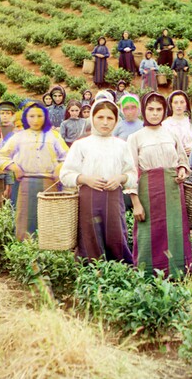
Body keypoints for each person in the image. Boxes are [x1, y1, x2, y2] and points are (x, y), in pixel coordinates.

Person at [60, 95, 137, 262]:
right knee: (90, 236)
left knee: (116, 235)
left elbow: (132, 174)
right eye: (100, 117)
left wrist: (120, 178)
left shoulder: (121, 145)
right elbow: (65, 174)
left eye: (110, 118)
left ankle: (119, 273)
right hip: (88, 198)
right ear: (92, 118)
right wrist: (85, 179)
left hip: (114, 198)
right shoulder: (81, 144)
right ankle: (91, 274)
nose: (105, 122)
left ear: (116, 120)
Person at [126, 92, 192, 277]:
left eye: (159, 109)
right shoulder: (136, 137)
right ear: (143, 110)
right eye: (150, 109)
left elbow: (182, 160)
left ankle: (178, 274)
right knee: (149, 234)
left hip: (172, 192)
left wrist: (181, 170)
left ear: (165, 111)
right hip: (148, 192)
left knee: (175, 232)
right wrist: (136, 202)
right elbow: (131, 172)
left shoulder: (171, 134)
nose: (154, 113)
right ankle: (147, 275)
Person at [0, 102, 68, 240]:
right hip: (26, 183)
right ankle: (24, 250)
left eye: (39, 116)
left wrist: (59, 167)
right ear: (25, 118)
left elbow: (68, 156)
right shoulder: (19, 137)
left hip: (49, 183)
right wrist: (14, 167)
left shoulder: (54, 136)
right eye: (31, 116)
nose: (36, 120)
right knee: (25, 217)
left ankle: (48, 250)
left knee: (48, 218)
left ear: (45, 117)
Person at [162, 90, 192, 156]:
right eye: (175, 102)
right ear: (170, 104)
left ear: (186, 104)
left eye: (182, 102)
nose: (179, 106)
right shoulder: (165, 125)